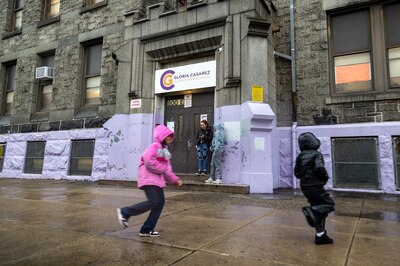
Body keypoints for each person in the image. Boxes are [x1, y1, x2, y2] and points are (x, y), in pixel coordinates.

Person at [117, 124, 183, 237]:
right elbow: (149, 162)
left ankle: (146, 229)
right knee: (154, 202)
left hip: (157, 181)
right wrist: (163, 168)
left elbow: (167, 169)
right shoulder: (155, 146)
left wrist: (174, 179)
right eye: (167, 136)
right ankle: (125, 212)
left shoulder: (164, 151)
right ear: (161, 136)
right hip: (148, 179)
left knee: (159, 203)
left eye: (170, 136)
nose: (169, 138)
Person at [294, 132, 335, 245]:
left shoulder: (300, 156)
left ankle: (320, 235)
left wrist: (305, 177)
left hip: (305, 186)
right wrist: (324, 177)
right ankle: (311, 210)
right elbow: (319, 167)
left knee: (320, 211)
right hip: (315, 185)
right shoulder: (316, 154)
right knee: (329, 205)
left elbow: (297, 173)